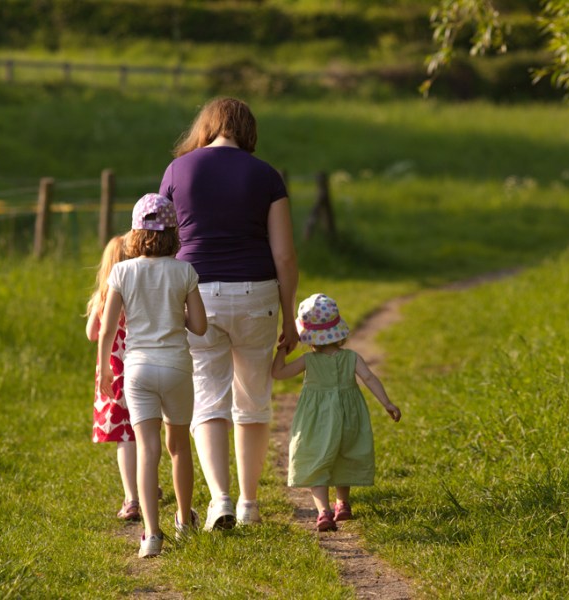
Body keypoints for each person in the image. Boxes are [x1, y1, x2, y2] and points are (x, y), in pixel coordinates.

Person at [159, 97, 298, 529]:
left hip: (197, 293)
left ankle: (220, 500)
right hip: (257, 294)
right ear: (248, 130)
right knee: (253, 401)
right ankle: (249, 505)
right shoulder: (266, 176)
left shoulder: (178, 171)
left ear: (207, 126)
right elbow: (285, 255)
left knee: (208, 398)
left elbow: (158, 240)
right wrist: (290, 316)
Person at [98, 193, 208, 558]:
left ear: (134, 232)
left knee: (147, 449)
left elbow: (108, 329)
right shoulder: (185, 271)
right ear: (173, 232)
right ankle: (182, 520)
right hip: (176, 366)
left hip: (138, 369)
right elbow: (200, 326)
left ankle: (151, 534)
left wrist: (103, 372)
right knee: (179, 447)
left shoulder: (122, 272)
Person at [272, 293, 401, 531]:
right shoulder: (352, 357)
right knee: (345, 453)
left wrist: (283, 348)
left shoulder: (308, 360)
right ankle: (342, 504)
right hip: (349, 416)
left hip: (316, 419)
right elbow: (370, 378)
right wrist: (387, 403)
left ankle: (324, 512)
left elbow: (278, 373)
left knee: (315, 457)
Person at [85, 234, 142, 521]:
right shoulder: (139, 291)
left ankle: (132, 498)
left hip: (114, 376)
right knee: (145, 431)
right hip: (143, 367)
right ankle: (146, 487)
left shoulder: (104, 297)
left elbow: (92, 334)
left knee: (125, 436)